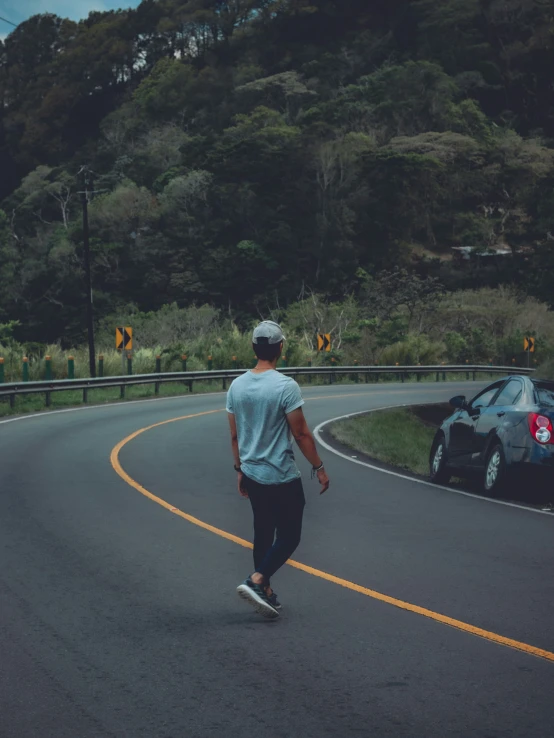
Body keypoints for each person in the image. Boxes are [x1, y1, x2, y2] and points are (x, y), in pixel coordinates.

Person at [226, 320, 330, 619]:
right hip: (281, 475)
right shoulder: (285, 386)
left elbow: (235, 435)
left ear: (253, 348)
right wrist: (319, 468)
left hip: (253, 473)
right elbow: (301, 434)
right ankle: (256, 581)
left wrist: (239, 469)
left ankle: (266, 592)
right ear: (280, 348)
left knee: (263, 531)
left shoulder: (237, 385)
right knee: (290, 535)